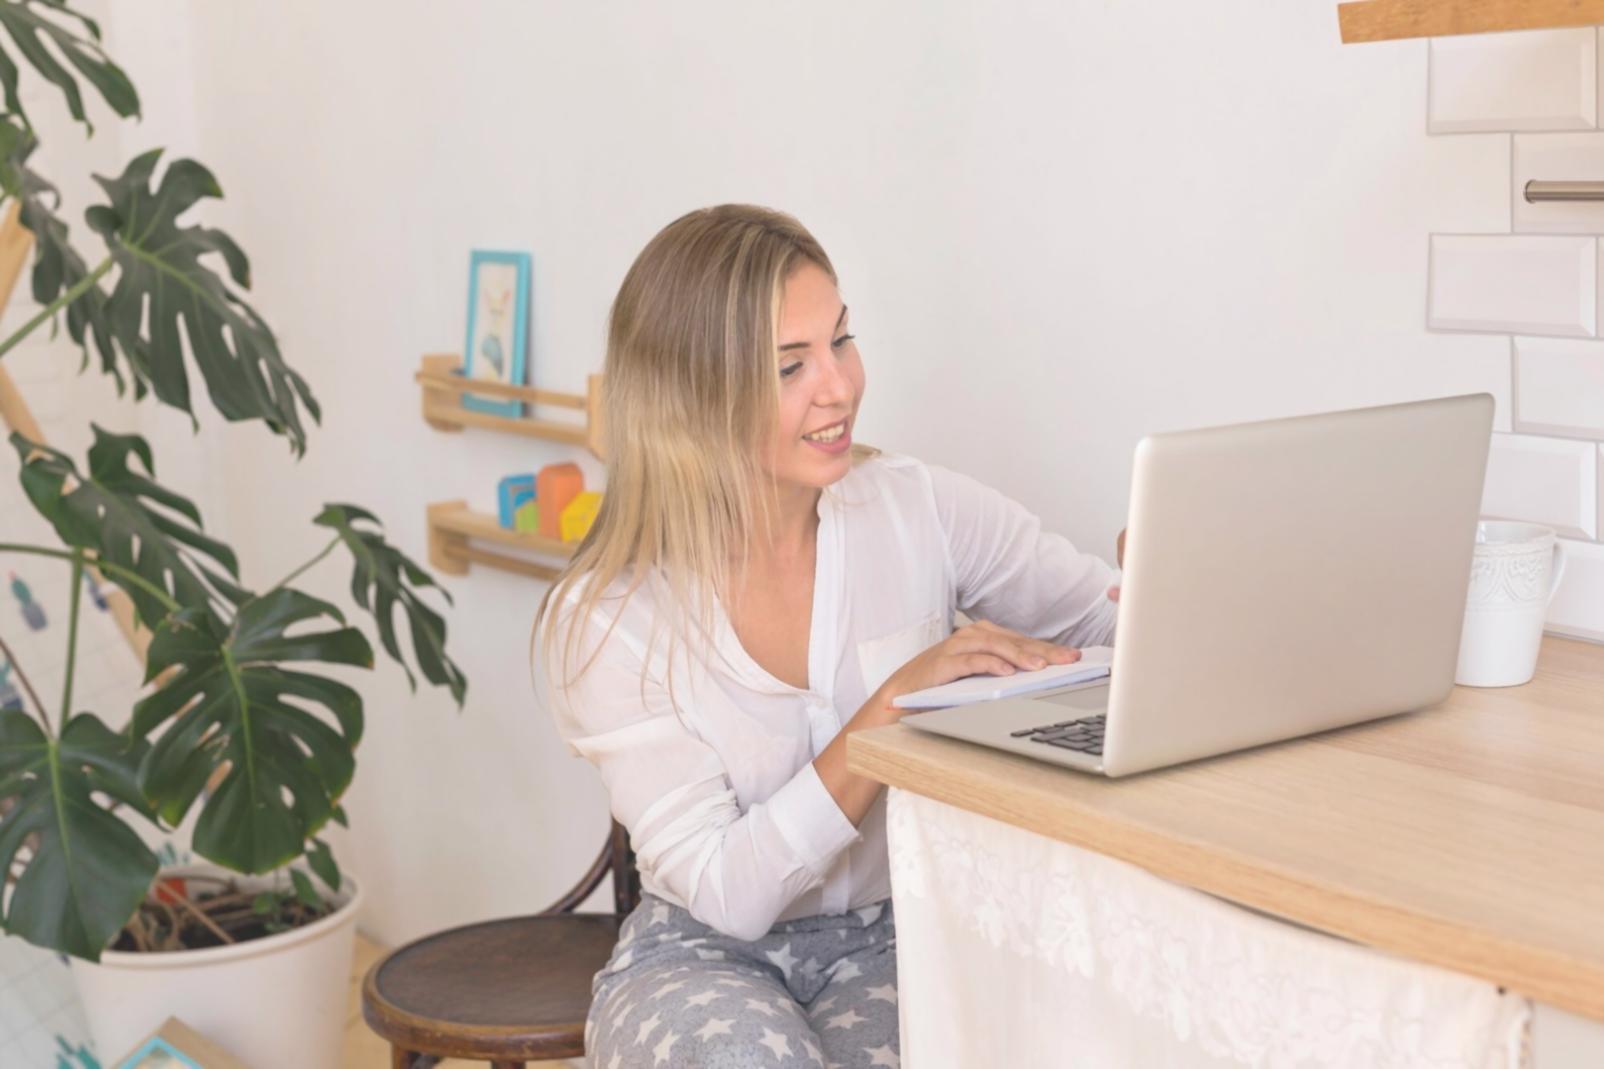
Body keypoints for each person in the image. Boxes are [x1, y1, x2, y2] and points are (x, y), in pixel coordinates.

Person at [530, 204, 1122, 1069]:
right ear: (692, 394)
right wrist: (889, 712)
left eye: (840, 341)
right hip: (699, 954)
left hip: (901, 937)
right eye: (788, 365)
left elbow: (1102, 622)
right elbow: (730, 892)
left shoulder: (918, 507)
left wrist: (1165, 589)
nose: (839, 386)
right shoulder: (609, 618)